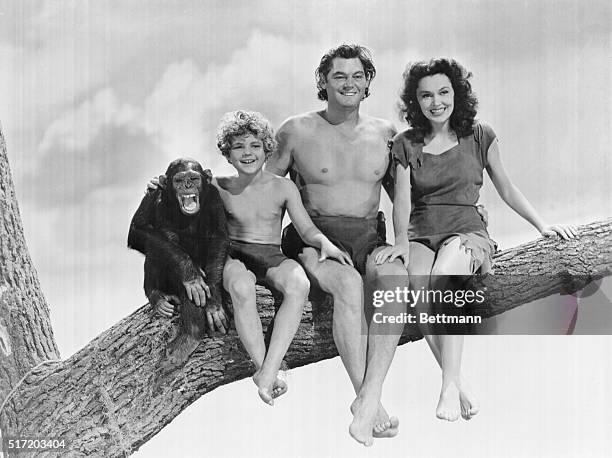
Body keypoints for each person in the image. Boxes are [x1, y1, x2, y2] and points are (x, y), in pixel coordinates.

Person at [375, 57, 578, 421]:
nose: (436, 102)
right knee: (418, 300)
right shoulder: (405, 143)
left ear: (457, 93)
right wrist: (401, 243)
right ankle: (459, 378)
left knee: (445, 282)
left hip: (466, 231)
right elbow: (402, 201)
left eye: (443, 92)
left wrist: (541, 224)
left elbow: (506, 187)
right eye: (426, 96)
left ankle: (448, 387)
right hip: (421, 235)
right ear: (415, 102)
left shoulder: (480, 135)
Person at [266, 44, 406, 446]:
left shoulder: (385, 134)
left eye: (357, 76)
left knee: (395, 277)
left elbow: (405, 201)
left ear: (367, 84)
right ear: (323, 83)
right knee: (348, 286)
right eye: (339, 76)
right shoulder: (295, 130)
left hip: (369, 235)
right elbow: (266, 193)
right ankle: (368, 400)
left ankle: (369, 397)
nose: (349, 83)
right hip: (314, 237)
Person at [214, 110, 351, 406]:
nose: (247, 153)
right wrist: (158, 186)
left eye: (254, 146)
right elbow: (181, 195)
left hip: (270, 254)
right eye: (238, 147)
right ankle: (264, 369)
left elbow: (306, 227)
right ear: (227, 154)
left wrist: (325, 243)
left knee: (298, 284)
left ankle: (270, 369)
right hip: (235, 255)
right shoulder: (218, 186)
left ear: (267, 149)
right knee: (240, 287)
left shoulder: (283, 186)